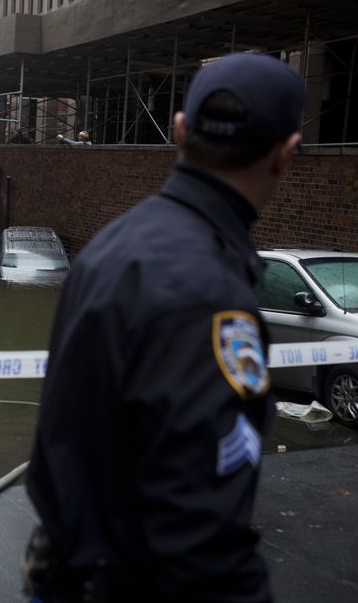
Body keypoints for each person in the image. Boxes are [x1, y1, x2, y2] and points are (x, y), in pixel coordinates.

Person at [24, 53, 305, 602]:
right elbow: (199, 538)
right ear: (285, 155)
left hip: (67, 572)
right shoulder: (213, 295)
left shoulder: (109, 248)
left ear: (179, 132)